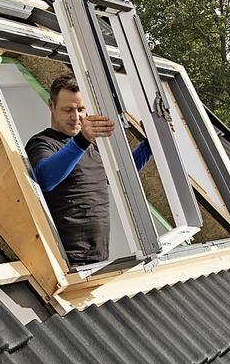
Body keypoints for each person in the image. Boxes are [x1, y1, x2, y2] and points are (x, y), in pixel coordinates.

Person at [25, 74, 152, 265]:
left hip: (99, 258)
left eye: (81, 109)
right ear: (51, 105)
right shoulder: (42, 143)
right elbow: (45, 179)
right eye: (68, 110)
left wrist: (150, 144)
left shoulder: (90, 148)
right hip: (68, 261)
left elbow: (121, 175)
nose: (76, 117)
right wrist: (82, 139)